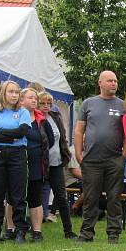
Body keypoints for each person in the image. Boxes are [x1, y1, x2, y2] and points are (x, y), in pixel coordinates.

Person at [75, 70, 125, 243]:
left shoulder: (123, 105)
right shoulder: (88, 103)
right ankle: (86, 233)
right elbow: (79, 129)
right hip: (91, 160)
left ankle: (113, 234)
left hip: (114, 159)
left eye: (115, 81)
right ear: (100, 83)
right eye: (110, 81)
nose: (114, 83)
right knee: (90, 197)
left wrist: (123, 156)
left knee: (114, 198)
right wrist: (78, 152)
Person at [0, 81, 31, 244]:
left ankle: (20, 231)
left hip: (18, 155)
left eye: (17, 92)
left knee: (18, 195)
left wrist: (1, 132)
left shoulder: (23, 112)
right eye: (11, 92)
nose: (14, 95)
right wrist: (12, 136)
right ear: (3, 93)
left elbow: (23, 131)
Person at [38, 92, 77, 239]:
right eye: (43, 104)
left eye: (49, 103)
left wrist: (65, 154)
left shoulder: (55, 116)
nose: (46, 106)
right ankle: (33, 229)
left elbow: (63, 137)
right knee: (36, 196)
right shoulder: (34, 119)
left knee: (61, 196)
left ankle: (68, 231)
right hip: (41, 163)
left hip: (57, 163)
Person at [19, 88, 54, 242]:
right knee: (14, 198)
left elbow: (50, 140)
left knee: (35, 198)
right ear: (21, 101)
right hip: (17, 163)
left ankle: (37, 232)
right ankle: (12, 229)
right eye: (30, 97)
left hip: (37, 164)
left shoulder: (42, 120)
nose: (34, 100)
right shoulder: (15, 117)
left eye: (35, 98)